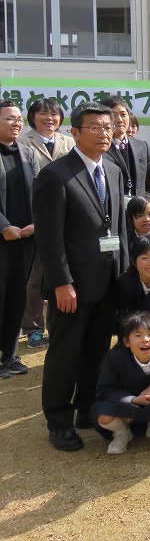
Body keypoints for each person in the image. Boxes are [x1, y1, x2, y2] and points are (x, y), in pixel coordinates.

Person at [34, 102, 129, 451]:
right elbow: (49, 237)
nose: (105, 132)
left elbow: (118, 228)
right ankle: (58, 422)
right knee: (65, 352)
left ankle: (86, 408)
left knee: (96, 349)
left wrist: (124, 275)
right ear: (74, 132)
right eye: (95, 127)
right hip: (71, 286)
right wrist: (61, 282)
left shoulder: (115, 170)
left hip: (108, 281)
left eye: (108, 126)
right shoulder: (55, 175)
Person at [18, 98, 75, 347]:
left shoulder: (70, 142)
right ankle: (33, 328)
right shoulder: (21, 143)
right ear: (32, 117)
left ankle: (58, 324)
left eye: (54, 114)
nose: (49, 118)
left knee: (64, 275)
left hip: (69, 221)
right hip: (32, 222)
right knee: (35, 278)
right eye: (43, 113)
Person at [90, 311, 150, 454]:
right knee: (102, 413)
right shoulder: (116, 359)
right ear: (127, 341)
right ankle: (121, 433)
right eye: (138, 335)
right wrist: (132, 400)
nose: (145, 340)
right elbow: (105, 390)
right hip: (125, 408)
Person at [0, 100, 38, 379]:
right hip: (2, 238)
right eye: (10, 118)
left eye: (19, 118)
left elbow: (39, 192)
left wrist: (37, 223)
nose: (16, 123)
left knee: (16, 297)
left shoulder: (27, 153)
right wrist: (3, 226)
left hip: (25, 239)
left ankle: (10, 355)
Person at [98, 95, 150, 198]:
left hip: (139, 210)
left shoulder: (143, 147)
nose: (119, 120)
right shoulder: (99, 148)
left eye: (123, 114)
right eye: (114, 115)